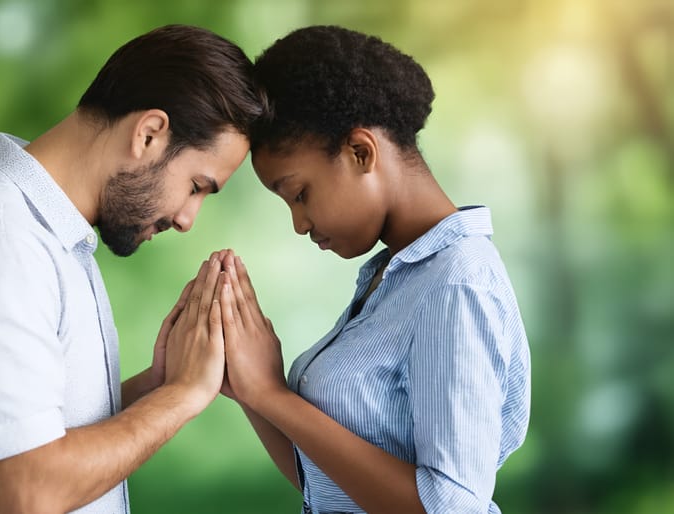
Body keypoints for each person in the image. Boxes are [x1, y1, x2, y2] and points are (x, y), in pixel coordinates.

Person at [0, 24, 264, 513]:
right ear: (149, 134)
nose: (186, 219)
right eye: (197, 186)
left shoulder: (44, 238)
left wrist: (154, 385)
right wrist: (181, 396)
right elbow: (28, 490)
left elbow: (24, 429)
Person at [213, 25, 531, 513]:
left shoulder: (456, 283)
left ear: (361, 152)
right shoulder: (393, 277)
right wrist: (250, 391)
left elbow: (452, 506)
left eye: (299, 194)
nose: (299, 223)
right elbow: (332, 486)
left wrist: (274, 395)